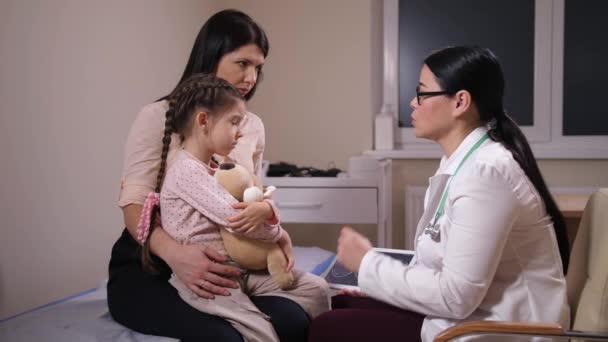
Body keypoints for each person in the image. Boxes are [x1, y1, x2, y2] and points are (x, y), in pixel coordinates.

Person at [309, 46, 571, 342]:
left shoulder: (487, 173)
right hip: (472, 314)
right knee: (340, 303)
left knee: (327, 327)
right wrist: (371, 275)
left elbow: (457, 296)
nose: (412, 103)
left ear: (460, 102)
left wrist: (367, 263)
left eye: (422, 93)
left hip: (497, 329)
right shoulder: (466, 160)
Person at [108, 9, 328, 342]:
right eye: (243, 64)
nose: (251, 77)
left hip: (228, 262)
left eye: (258, 68)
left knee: (292, 321)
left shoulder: (251, 125)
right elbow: (133, 206)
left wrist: (272, 229)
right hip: (153, 265)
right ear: (211, 56)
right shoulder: (156, 117)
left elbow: (246, 198)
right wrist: (175, 254)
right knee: (223, 337)